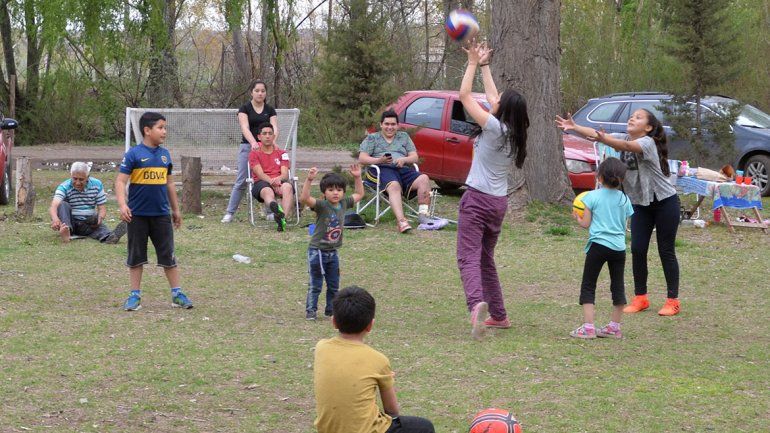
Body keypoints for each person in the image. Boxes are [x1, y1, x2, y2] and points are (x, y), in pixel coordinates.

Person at [556, 108, 682, 316]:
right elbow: (595, 134)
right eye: (631, 116)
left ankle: (672, 301)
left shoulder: (647, 143)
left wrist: (604, 139)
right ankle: (640, 297)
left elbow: (625, 146)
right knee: (638, 250)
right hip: (641, 204)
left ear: (648, 128)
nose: (632, 118)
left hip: (665, 202)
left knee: (665, 250)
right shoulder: (620, 137)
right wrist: (575, 127)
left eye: (638, 117)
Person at [457, 40, 529, 340]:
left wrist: (472, 62)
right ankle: (498, 315)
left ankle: (477, 306)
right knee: (485, 257)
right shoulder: (515, 134)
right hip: (499, 203)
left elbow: (464, 96)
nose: (493, 101)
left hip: (476, 200)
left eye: (498, 102)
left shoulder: (492, 127)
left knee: (468, 257)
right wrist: (486, 66)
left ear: (502, 111)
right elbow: (492, 96)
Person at [313, 286, 435, 433]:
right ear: (370, 325)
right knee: (424, 427)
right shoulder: (378, 360)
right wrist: (386, 379)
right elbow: (392, 410)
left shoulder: (321, 348)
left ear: (334, 322)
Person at [115, 112, 193, 311]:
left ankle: (177, 293)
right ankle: (135, 296)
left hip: (161, 216)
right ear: (147, 131)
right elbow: (121, 181)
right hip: (137, 216)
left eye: (165, 127)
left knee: (169, 256)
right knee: (136, 257)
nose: (164, 131)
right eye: (160, 127)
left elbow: (169, 184)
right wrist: (123, 205)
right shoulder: (133, 154)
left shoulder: (165, 155)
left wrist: (175, 210)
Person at [570, 158, 634, 339]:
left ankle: (589, 328)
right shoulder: (624, 199)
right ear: (621, 179)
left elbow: (586, 224)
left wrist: (577, 218)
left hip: (597, 246)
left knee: (589, 284)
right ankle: (614, 327)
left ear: (599, 177)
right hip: (618, 249)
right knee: (618, 286)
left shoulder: (591, 197)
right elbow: (624, 221)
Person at [300, 165, 364, 320]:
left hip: (333, 251)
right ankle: (311, 311)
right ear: (324, 192)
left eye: (339, 190)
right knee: (316, 284)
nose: (335, 193)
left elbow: (360, 194)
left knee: (334, 285)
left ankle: (331, 310)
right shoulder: (322, 206)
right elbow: (305, 199)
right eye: (331, 190)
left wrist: (357, 177)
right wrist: (309, 180)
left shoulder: (344, 204)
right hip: (318, 251)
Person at [358, 110, 433, 233]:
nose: (390, 127)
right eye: (387, 124)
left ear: (397, 125)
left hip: (401, 168)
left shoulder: (403, 137)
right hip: (379, 169)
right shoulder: (373, 138)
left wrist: (404, 159)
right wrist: (379, 160)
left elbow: (414, 157)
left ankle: (423, 217)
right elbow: (362, 158)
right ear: (381, 124)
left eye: (393, 124)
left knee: (424, 178)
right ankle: (402, 221)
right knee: (394, 185)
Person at [222, 79, 279, 223]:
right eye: (257, 91)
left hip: (267, 149)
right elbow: (244, 127)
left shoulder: (270, 110)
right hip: (248, 147)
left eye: (263, 91)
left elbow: (274, 128)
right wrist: (254, 143)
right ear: (251, 92)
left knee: (266, 179)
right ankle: (230, 213)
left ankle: (269, 212)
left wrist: (271, 141)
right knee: (241, 181)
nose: (260, 94)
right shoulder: (244, 108)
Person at [49, 161, 127, 244]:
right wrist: (55, 219)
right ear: (71, 176)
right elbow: (53, 206)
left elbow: (102, 208)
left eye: (81, 179)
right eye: (75, 179)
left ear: (87, 177)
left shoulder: (97, 184)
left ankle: (109, 237)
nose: (78, 182)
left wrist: (100, 219)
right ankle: (66, 231)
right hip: (71, 222)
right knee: (62, 204)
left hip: (88, 222)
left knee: (98, 224)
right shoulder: (64, 186)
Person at [248, 122, 293, 231]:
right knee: (267, 191)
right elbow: (259, 173)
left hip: (279, 181)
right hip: (262, 182)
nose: (267, 136)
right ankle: (275, 207)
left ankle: (282, 219)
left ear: (274, 136)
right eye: (264, 133)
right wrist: (272, 182)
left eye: (270, 133)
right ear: (259, 137)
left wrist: (278, 180)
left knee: (288, 187)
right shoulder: (254, 154)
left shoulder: (282, 153)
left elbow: (285, 174)